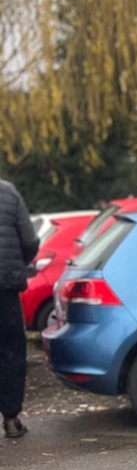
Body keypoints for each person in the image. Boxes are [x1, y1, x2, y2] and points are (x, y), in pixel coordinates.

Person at [0, 172, 39, 438]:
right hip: (6, 287)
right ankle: (11, 418)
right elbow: (30, 241)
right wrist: (16, 267)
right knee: (11, 352)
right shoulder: (9, 192)